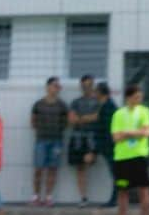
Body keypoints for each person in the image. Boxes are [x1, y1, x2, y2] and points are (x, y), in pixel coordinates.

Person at [110, 83, 149, 215]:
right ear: (128, 97)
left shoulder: (145, 112)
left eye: (140, 97)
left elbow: (147, 132)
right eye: (136, 97)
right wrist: (136, 132)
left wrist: (126, 133)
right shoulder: (118, 114)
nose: (139, 100)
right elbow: (116, 137)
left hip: (139, 157)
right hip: (122, 159)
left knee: (144, 190)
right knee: (122, 191)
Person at [30, 76, 68, 206]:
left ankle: (48, 197)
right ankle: (36, 196)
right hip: (41, 140)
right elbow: (33, 121)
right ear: (48, 87)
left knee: (53, 169)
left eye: (58, 87)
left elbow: (66, 122)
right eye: (54, 86)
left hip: (56, 141)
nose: (56, 89)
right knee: (38, 168)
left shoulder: (62, 105)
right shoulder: (38, 104)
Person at [69, 73, 101, 205]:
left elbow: (97, 117)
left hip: (93, 138)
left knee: (90, 162)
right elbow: (71, 120)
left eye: (89, 85)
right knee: (80, 168)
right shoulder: (75, 102)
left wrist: (81, 118)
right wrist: (88, 117)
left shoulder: (98, 101)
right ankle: (83, 197)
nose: (86, 88)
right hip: (77, 139)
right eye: (84, 85)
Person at [96, 81, 119, 207]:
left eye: (96, 91)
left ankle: (115, 199)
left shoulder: (109, 107)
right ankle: (115, 199)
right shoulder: (105, 105)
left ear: (100, 92)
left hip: (111, 147)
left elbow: (108, 129)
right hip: (108, 146)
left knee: (116, 173)